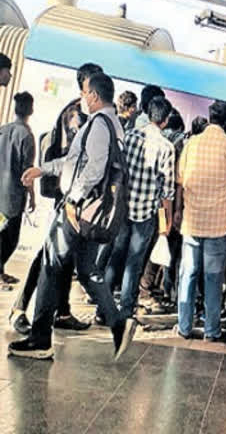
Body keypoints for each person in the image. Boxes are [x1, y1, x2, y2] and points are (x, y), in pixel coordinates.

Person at [11, 72, 137, 360]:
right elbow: (73, 162)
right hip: (93, 213)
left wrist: (72, 201)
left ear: (93, 95)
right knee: (87, 270)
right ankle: (119, 324)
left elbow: (92, 169)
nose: (82, 98)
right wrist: (44, 169)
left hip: (78, 211)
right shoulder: (113, 125)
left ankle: (40, 340)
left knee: (52, 263)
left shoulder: (100, 125)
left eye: (84, 93)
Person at [9, 65, 101, 335]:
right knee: (48, 253)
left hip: (74, 198)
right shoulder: (76, 116)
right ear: (84, 87)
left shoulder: (85, 115)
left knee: (64, 255)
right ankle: (20, 308)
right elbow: (74, 162)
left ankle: (61, 311)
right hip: (68, 198)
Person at [175, 101, 226, 341]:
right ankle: (211, 330)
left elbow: (180, 178)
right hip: (218, 224)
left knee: (188, 274)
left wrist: (178, 210)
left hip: (192, 220)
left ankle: (184, 327)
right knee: (213, 278)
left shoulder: (192, 143)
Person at [104, 97, 175, 319]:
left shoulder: (130, 136)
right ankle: (126, 309)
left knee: (115, 256)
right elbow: (167, 192)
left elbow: (117, 170)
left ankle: (102, 307)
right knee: (134, 262)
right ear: (164, 121)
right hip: (146, 213)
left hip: (122, 207)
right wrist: (167, 222)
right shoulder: (167, 147)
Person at [0, 92, 35, 285]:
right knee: (11, 238)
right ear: (30, 109)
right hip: (13, 195)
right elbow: (27, 171)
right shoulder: (27, 135)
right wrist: (32, 196)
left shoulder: (3, 129)